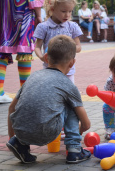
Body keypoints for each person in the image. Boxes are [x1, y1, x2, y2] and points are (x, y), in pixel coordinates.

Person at [7, 35, 91, 164]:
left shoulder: (33, 76)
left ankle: (19, 144)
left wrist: (13, 136)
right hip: (47, 133)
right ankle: (75, 150)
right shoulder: (68, 84)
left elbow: (12, 108)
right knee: (71, 104)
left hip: (21, 131)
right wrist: (77, 132)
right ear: (72, 62)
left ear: (46, 57)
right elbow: (86, 124)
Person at [34, 0, 82, 84]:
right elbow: (37, 47)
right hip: (49, 69)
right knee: (50, 92)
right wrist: (41, 57)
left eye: (70, 11)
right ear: (52, 9)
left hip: (68, 70)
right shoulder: (43, 27)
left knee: (68, 94)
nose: (67, 15)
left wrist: (67, 47)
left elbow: (78, 47)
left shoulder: (72, 27)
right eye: (63, 11)